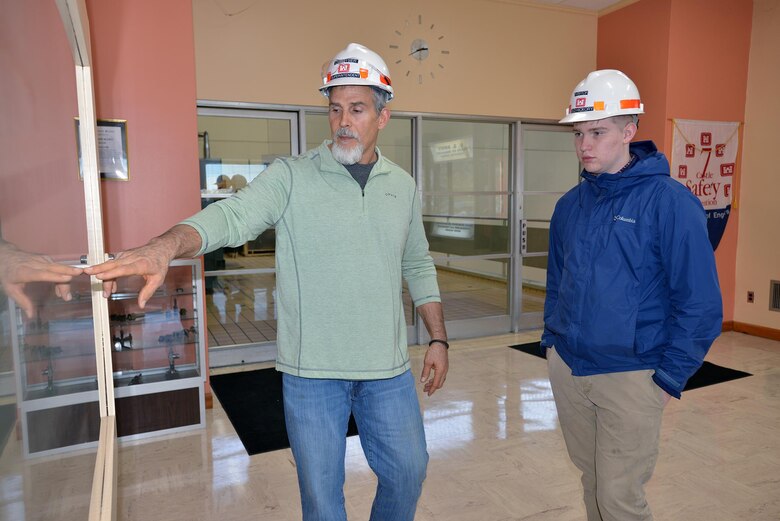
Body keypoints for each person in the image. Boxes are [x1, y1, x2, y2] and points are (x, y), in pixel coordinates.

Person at [84, 42, 448, 521]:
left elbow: (418, 263)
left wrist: (438, 337)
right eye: (335, 108)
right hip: (311, 374)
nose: (343, 121)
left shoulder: (401, 185)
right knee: (322, 500)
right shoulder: (291, 176)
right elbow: (232, 216)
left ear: (382, 116)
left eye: (357, 109)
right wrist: (166, 245)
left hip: (388, 369)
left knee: (409, 471)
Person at [541, 69, 722, 521]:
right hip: (570, 367)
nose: (585, 145)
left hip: (630, 374)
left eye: (597, 132)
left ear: (629, 130)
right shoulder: (570, 205)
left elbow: (700, 304)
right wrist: (551, 343)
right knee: (593, 482)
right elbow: (557, 283)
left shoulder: (670, 202)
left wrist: (667, 380)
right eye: (579, 133)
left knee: (620, 497)